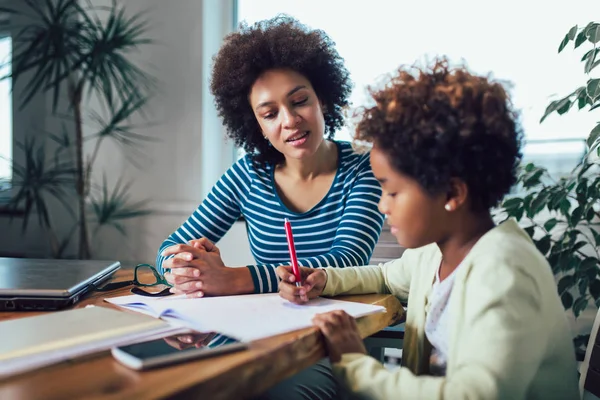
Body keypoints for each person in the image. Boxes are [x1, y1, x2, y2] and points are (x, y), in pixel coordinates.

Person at [277, 58, 580, 399]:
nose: (382, 205)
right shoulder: (434, 253)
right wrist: (325, 279)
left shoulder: (504, 270)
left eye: (392, 192)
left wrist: (354, 363)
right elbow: (386, 278)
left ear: (452, 193)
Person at [156, 16, 385, 400]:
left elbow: (346, 261)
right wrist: (184, 270)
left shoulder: (364, 168)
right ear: (256, 125)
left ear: (323, 99)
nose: (290, 120)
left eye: (300, 101)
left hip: (325, 345)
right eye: (270, 113)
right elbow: (169, 247)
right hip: (251, 336)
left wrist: (233, 279)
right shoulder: (248, 174)